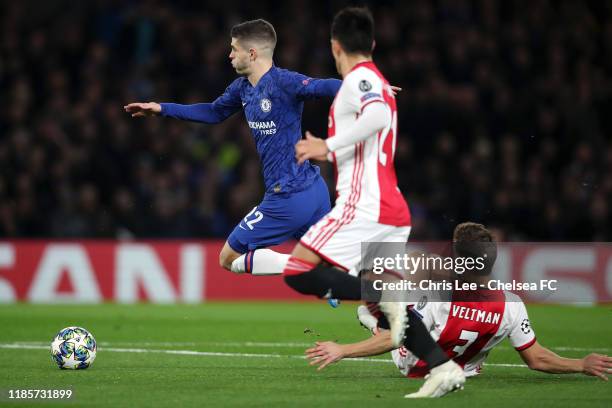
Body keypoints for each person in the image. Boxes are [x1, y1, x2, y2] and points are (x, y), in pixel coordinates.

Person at [282, 7, 465, 398]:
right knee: (389, 314)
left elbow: (378, 116)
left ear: (334, 46)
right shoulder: (376, 79)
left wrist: (326, 144)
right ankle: (444, 367)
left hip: (365, 205)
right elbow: (371, 135)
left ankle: (384, 296)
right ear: (373, 44)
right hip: (390, 210)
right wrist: (331, 154)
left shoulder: (359, 79)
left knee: (298, 270)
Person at [125, 19, 340, 276]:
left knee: (228, 257)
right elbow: (213, 112)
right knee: (338, 259)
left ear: (252, 53)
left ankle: (308, 269)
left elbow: (322, 85)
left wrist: (366, 89)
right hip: (313, 189)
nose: (229, 55)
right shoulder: (242, 88)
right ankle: (390, 302)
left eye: (234, 49)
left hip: (289, 197)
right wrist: (162, 109)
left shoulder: (284, 82)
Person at [305, 222, 612, 396]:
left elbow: (398, 338)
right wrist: (582, 364)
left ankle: (373, 320)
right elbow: (536, 358)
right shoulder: (513, 305)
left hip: (413, 366)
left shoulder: (439, 295)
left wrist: (342, 349)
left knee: (390, 302)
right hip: (468, 371)